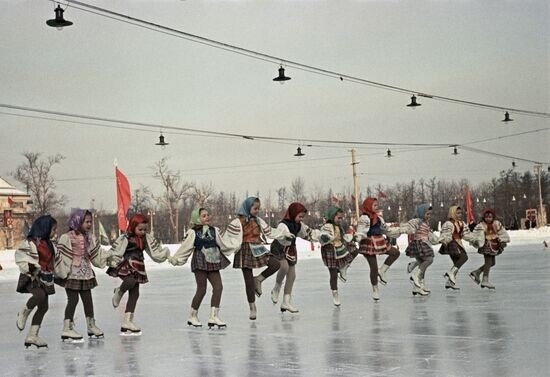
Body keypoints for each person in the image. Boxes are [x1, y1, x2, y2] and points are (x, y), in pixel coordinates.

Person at [169, 208, 237, 328]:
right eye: (203, 216)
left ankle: (214, 316)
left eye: (207, 215)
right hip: (200, 260)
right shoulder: (193, 232)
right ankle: (193, 315)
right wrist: (177, 259)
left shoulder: (214, 230)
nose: (207, 217)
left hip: (213, 259)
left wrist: (234, 247)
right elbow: (186, 247)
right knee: (202, 289)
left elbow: (222, 244)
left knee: (218, 287)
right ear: (197, 218)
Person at [55, 209, 113, 341]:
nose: (89, 224)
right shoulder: (67, 237)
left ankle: (91, 325)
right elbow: (61, 256)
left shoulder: (90, 237)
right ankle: (67, 327)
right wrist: (62, 271)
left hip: (86, 273)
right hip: (72, 273)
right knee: (73, 300)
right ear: (77, 221)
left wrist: (107, 256)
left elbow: (95, 254)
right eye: (86, 221)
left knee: (88, 300)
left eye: (90, 222)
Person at [107, 214, 170, 335]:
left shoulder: (146, 239)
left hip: (138, 265)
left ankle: (127, 321)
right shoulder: (126, 237)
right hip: (126, 264)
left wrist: (165, 255)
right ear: (133, 227)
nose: (142, 232)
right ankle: (119, 291)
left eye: (145, 229)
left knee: (135, 293)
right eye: (140, 229)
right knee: (130, 281)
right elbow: (117, 250)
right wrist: (113, 259)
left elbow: (154, 252)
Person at [225, 197, 283, 320]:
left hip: (257, 247)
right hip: (244, 250)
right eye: (255, 208)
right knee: (248, 281)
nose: (257, 211)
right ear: (247, 207)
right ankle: (252, 307)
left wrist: (283, 234)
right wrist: (224, 248)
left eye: (258, 208)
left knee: (275, 264)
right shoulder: (237, 222)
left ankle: (259, 279)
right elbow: (227, 237)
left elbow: (270, 232)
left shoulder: (258, 221)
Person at [14, 215, 57, 348]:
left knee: (44, 307)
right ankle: (23, 312)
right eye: (53, 229)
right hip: (31, 276)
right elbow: (20, 256)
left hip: (46, 277)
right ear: (44, 228)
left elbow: (55, 261)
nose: (55, 232)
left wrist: (61, 274)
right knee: (39, 295)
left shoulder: (50, 245)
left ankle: (32, 335)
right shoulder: (31, 242)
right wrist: (31, 266)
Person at [269, 202, 319, 313]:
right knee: (284, 267)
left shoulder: (299, 225)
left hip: (290, 249)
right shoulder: (284, 224)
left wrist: (321, 236)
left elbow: (308, 233)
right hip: (279, 247)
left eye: (302, 217)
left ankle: (286, 301)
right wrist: (286, 234)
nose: (301, 219)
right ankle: (276, 288)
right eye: (299, 216)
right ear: (293, 213)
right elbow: (281, 232)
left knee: (292, 275)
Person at [355, 198, 401, 301]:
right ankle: (375, 289)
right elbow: (360, 231)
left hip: (380, 240)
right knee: (373, 267)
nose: (377, 207)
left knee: (395, 253)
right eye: (374, 205)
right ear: (368, 206)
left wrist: (397, 231)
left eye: (377, 205)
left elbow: (385, 229)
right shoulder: (364, 218)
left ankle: (383, 270)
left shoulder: (379, 218)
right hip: (369, 242)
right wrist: (358, 237)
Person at [318, 206, 358, 306]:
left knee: (355, 250)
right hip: (330, 249)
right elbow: (323, 234)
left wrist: (351, 237)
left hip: (339, 246)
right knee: (333, 273)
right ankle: (335, 293)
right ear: (332, 216)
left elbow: (343, 237)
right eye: (338, 218)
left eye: (341, 218)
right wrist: (325, 237)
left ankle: (344, 267)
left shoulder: (339, 227)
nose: (340, 220)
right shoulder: (327, 226)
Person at [402, 204, 441, 296]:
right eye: (427, 214)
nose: (429, 216)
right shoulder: (417, 221)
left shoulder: (425, 222)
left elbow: (429, 234)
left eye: (430, 214)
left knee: (421, 264)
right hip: (419, 243)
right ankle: (416, 275)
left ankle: (418, 287)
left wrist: (438, 240)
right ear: (421, 213)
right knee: (429, 259)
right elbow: (410, 227)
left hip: (423, 243)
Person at [468, 208, 510, 289]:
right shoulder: (481, 225)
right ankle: (485, 280)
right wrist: (476, 241)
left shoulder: (496, 224)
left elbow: (502, 232)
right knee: (488, 262)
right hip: (486, 246)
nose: (488, 218)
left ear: (493, 217)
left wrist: (503, 239)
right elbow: (475, 235)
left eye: (490, 217)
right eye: (486, 217)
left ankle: (477, 272)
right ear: (484, 217)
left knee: (492, 263)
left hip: (494, 245)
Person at [439, 206, 475, 290]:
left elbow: (466, 234)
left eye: (460, 213)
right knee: (464, 257)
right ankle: (451, 273)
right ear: (452, 213)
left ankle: (450, 282)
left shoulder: (461, 223)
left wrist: (473, 238)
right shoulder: (448, 223)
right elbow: (444, 233)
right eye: (457, 213)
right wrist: (445, 240)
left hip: (458, 243)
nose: (460, 215)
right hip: (451, 243)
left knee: (456, 263)